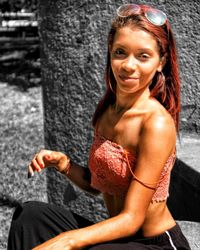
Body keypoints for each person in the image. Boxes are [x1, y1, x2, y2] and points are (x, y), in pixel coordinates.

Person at [8, 3, 191, 250]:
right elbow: (102, 184)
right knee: (30, 217)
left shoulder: (155, 123)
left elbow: (132, 218)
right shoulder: (108, 112)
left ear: (161, 62)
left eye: (143, 56)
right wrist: (64, 165)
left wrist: (68, 240)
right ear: (110, 53)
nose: (128, 65)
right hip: (120, 240)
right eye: (120, 52)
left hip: (155, 244)